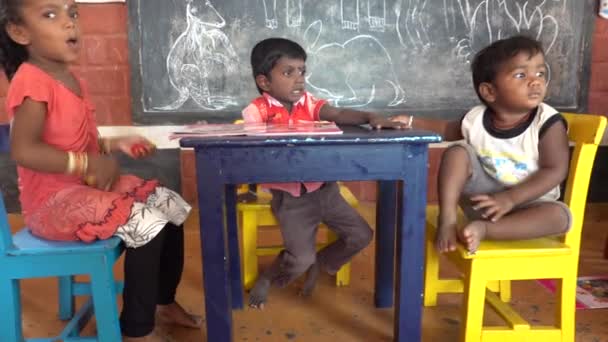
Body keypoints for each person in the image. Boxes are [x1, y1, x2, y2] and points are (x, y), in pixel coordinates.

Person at [0, 1, 199, 341]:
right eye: (50, 15)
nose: (68, 23)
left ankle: (162, 301)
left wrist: (116, 143)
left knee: (170, 205)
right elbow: (25, 150)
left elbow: (76, 140)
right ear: (20, 33)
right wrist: (89, 163)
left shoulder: (70, 78)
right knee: (147, 223)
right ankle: (136, 329)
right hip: (52, 203)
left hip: (83, 188)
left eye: (72, 12)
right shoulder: (31, 81)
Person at [243, 37, 407, 309]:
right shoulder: (256, 111)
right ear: (264, 82)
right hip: (291, 199)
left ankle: (321, 264)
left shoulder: (308, 102)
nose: (299, 79)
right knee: (299, 259)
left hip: (325, 189)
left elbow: (338, 113)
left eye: (302, 71)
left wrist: (369, 117)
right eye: (288, 72)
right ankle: (268, 278)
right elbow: (253, 150)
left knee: (362, 235)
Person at [392, 35, 571, 254]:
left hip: (530, 204)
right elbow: (447, 130)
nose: (535, 81)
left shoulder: (547, 121)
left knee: (560, 216)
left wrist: (509, 199)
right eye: (521, 75)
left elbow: (556, 170)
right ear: (489, 92)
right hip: (483, 202)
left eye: (540, 73)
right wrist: (411, 121)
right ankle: (447, 219)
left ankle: (485, 230)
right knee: (457, 151)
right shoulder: (475, 120)